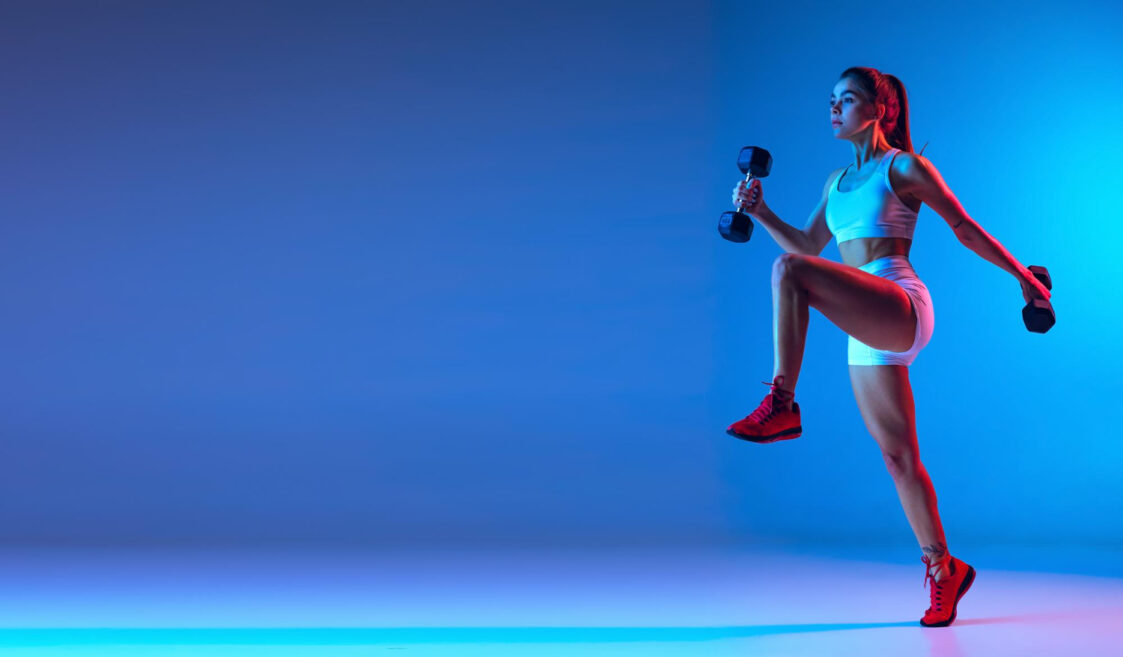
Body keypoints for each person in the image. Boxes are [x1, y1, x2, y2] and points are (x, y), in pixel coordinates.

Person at [723, 66, 1052, 627]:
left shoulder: (904, 167)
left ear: (882, 110)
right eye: (831, 100)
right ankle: (944, 569)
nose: (834, 108)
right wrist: (761, 212)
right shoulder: (835, 183)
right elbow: (808, 244)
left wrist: (1025, 278)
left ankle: (781, 403)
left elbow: (965, 228)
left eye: (847, 100)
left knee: (788, 271)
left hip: (899, 299)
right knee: (898, 458)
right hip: (866, 324)